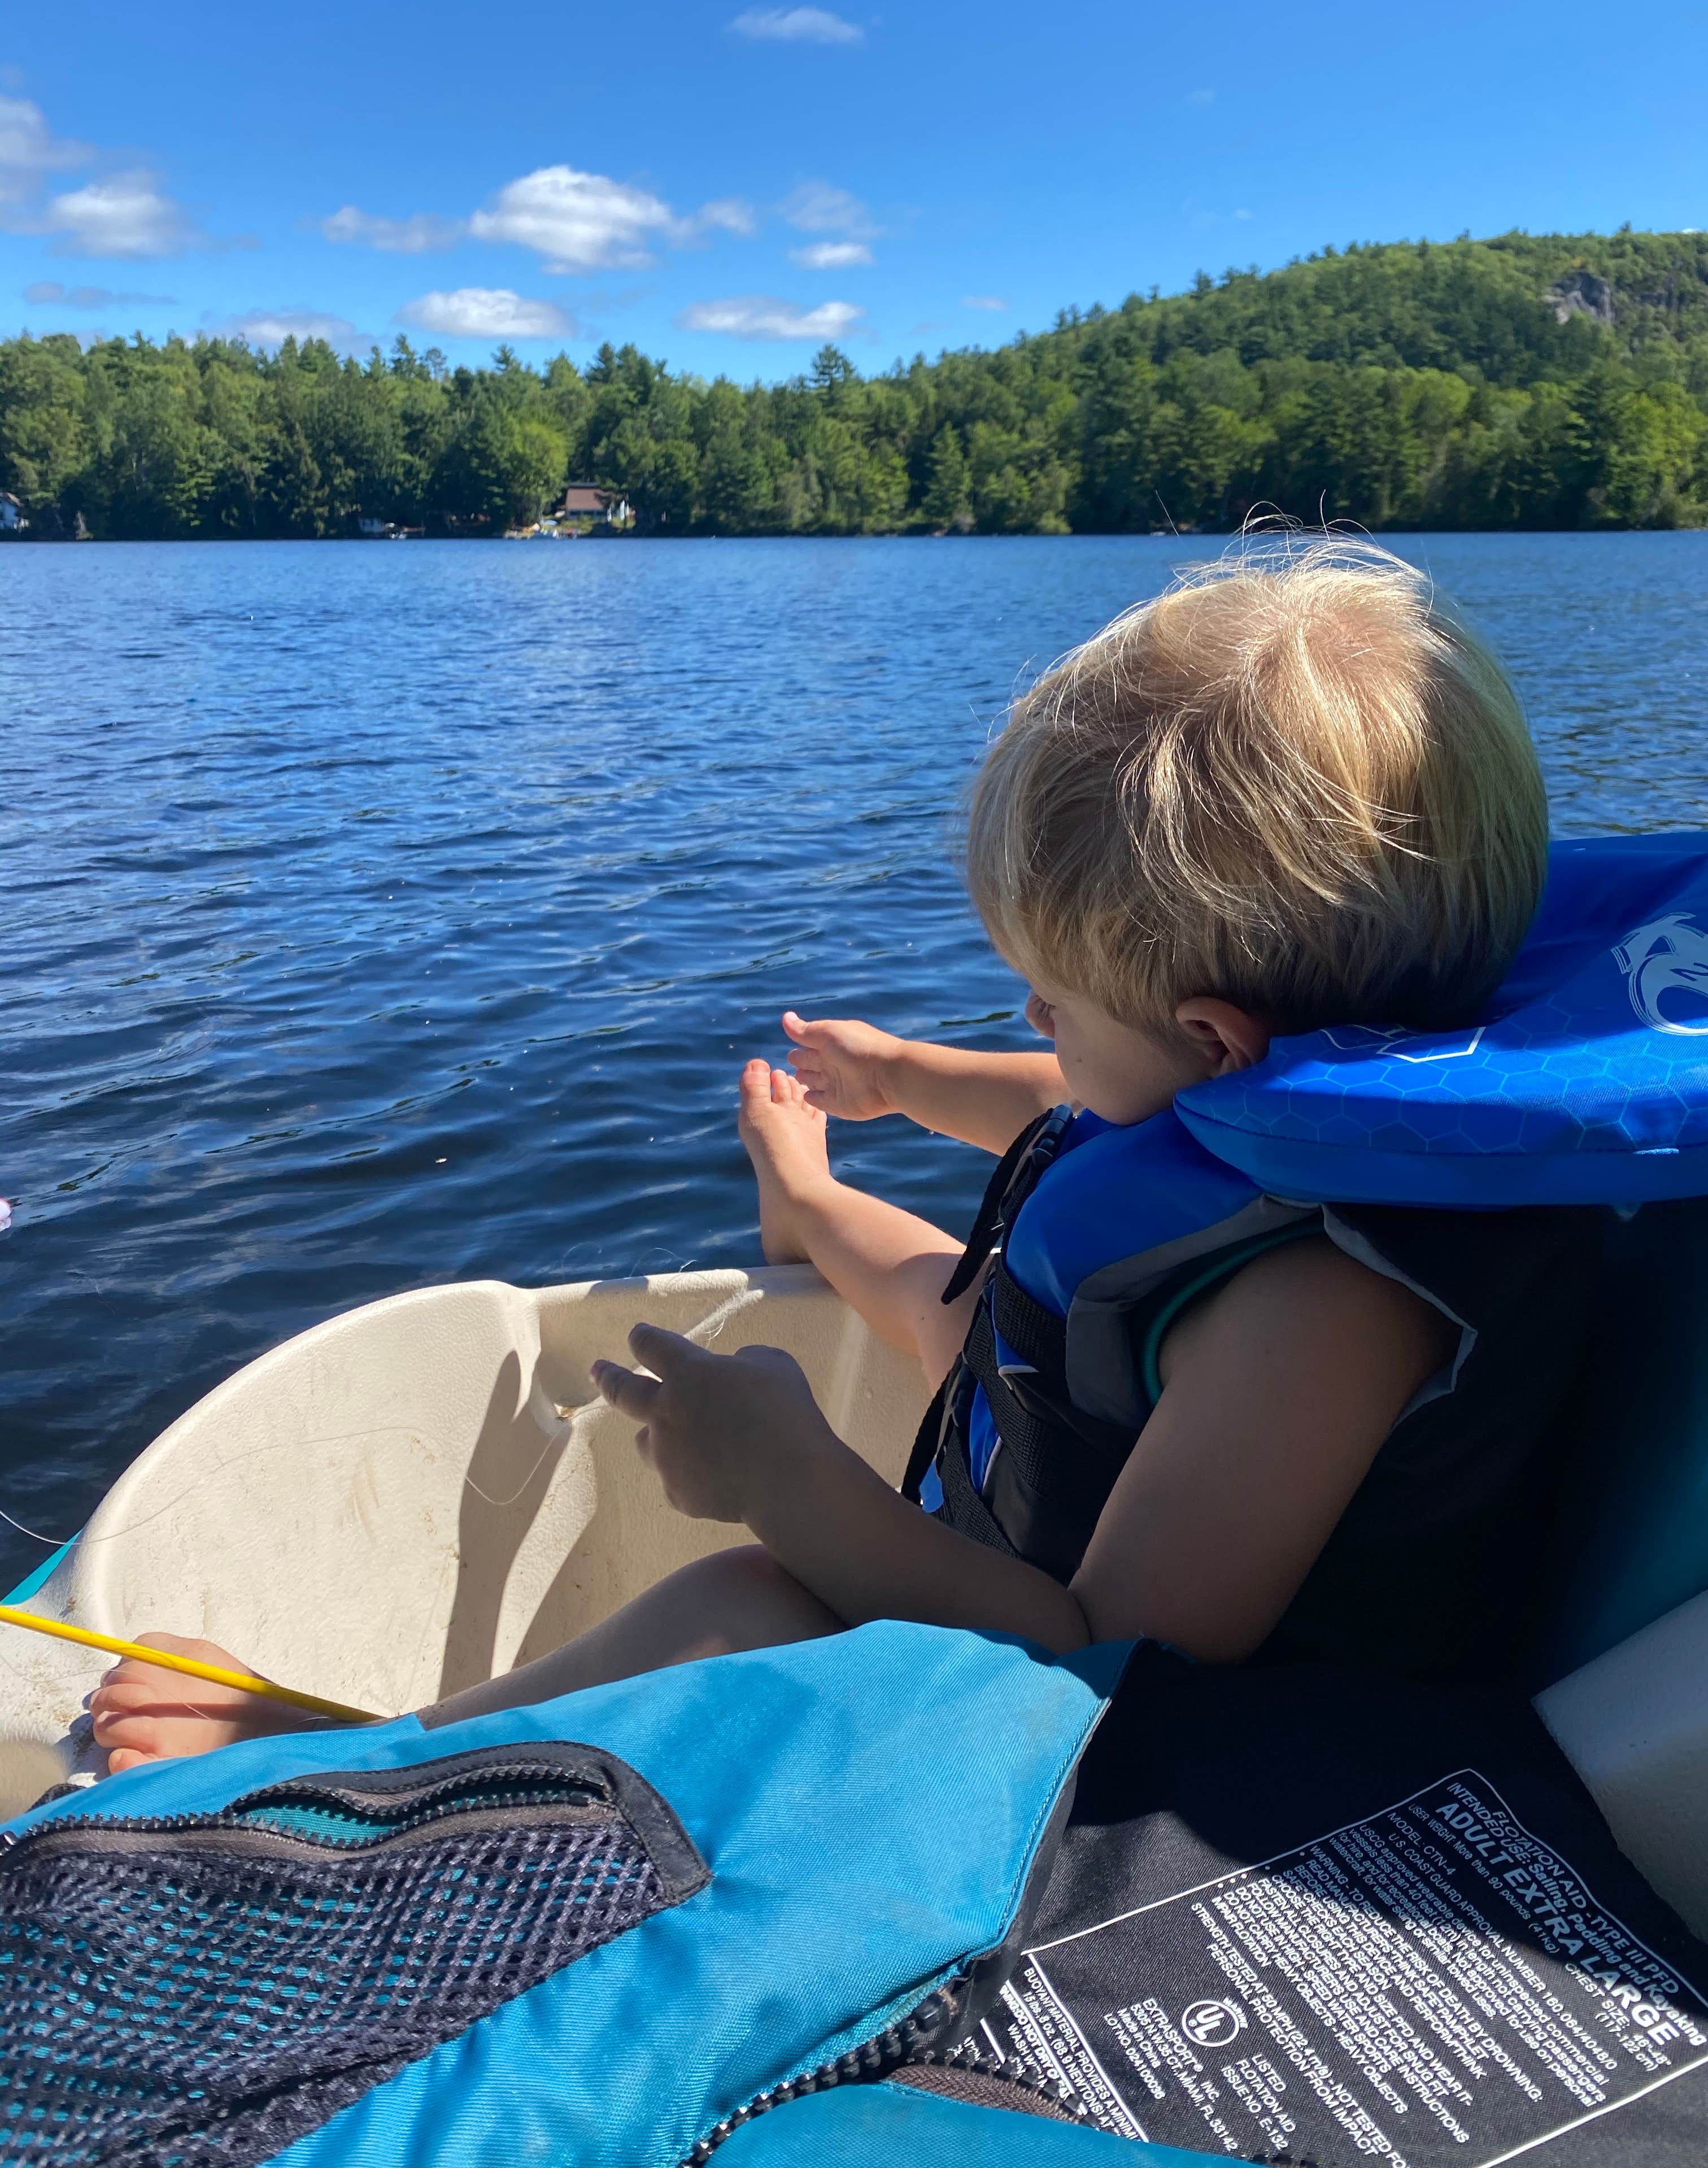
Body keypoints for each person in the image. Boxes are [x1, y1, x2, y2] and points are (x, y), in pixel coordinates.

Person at [90, 541, 1597, 1773]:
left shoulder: (1322, 1312)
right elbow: (1090, 1109)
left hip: (1172, 1750)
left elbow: (1113, 1669)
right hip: (1081, 1460)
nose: (1029, 1022)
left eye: (1051, 1001)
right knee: (978, 1297)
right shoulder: (1284, 1079)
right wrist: (902, 1080)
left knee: (754, 1599)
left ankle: (362, 1763)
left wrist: (790, 1482)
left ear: (1213, 1037)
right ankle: (807, 1198)